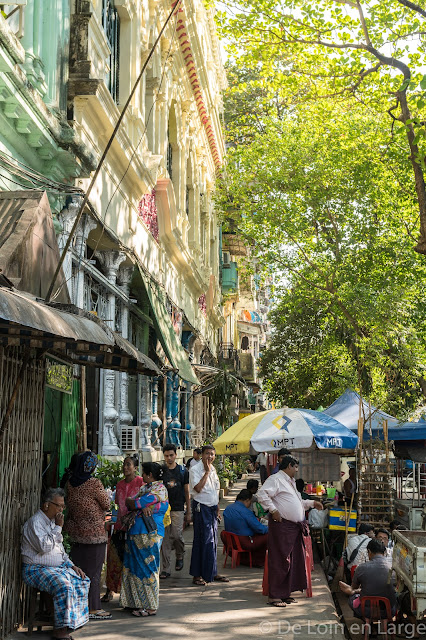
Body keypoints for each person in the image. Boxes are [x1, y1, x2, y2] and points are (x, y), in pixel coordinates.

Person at [21, 488, 90, 639]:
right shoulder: (35, 523)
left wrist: (71, 565)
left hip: (56, 567)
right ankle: (60, 632)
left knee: (82, 579)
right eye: (58, 506)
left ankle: (70, 623)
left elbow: (60, 551)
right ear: (46, 505)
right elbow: (45, 547)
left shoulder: (52, 522)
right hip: (35, 569)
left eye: (63, 507)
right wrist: (59, 527)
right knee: (63, 585)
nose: (61, 510)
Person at [257, 455, 323, 607]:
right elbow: (262, 494)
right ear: (288, 466)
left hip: (294, 527)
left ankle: (285, 592)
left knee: (292, 561)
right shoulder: (276, 479)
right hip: (282, 526)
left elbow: (298, 503)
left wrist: (312, 503)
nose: (297, 470)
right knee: (281, 560)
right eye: (295, 467)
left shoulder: (290, 482)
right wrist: (273, 510)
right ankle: (275, 596)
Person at [64, 451, 111, 620]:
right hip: (94, 535)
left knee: (78, 572)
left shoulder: (70, 483)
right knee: (94, 573)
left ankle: (79, 604)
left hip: (75, 533)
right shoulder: (94, 483)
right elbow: (106, 503)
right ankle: (93, 608)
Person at [119, 462, 169, 617]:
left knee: (148, 568)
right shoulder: (145, 488)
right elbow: (130, 502)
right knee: (133, 567)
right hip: (136, 532)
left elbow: (136, 502)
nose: (142, 475)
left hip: (149, 533)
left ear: (149, 475)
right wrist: (137, 505)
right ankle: (133, 602)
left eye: (144, 473)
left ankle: (150, 606)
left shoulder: (159, 489)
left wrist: (137, 504)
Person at [101, 455, 144, 602]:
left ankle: (128, 594)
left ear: (136, 468)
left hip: (134, 527)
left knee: (130, 562)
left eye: (129, 465)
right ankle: (110, 590)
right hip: (119, 526)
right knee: (113, 559)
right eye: (124, 464)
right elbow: (116, 506)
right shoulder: (119, 484)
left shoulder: (141, 483)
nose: (125, 467)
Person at [189, 444, 230, 586]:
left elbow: (214, 490)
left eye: (212, 454)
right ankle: (197, 575)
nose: (210, 457)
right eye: (207, 454)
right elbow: (198, 489)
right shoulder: (195, 470)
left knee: (212, 542)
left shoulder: (213, 469)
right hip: (201, 508)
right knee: (202, 541)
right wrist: (206, 472)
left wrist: (217, 507)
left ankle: (211, 571)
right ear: (202, 455)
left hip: (212, 509)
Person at [339, 539, 397, 619]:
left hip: (367, 611)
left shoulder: (362, 568)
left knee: (352, 598)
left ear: (369, 551)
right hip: (389, 611)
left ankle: (365, 621)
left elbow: (354, 586)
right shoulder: (393, 568)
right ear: (384, 552)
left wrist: (353, 591)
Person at [160, 443, 191, 579]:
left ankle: (180, 554)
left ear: (176, 455)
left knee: (177, 535)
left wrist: (189, 511)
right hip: (163, 509)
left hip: (178, 508)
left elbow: (187, 491)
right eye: (166, 456)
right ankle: (165, 569)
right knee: (165, 539)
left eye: (171, 455)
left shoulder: (183, 471)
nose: (169, 458)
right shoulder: (160, 472)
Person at [222, 489, 268, 566]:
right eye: (250, 502)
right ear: (247, 500)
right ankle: (258, 561)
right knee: (268, 536)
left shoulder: (228, 508)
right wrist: (270, 529)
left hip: (230, 541)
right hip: (243, 542)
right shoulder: (246, 512)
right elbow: (259, 528)